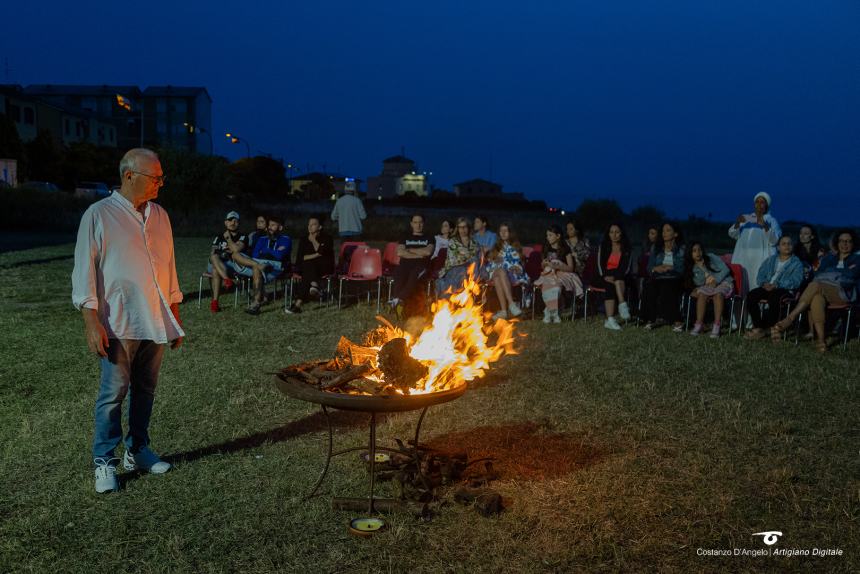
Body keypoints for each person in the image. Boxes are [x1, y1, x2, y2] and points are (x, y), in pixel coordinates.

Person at [72, 148, 183, 494]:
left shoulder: (160, 216)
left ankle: (138, 450)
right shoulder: (99, 215)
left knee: (146, 389)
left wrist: (174, 314)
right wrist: (92, 321)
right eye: (155, 178)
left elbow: (169, 267)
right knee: (113, 392)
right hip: (118, 321)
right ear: (129, 175)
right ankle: (105, 461)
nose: (160, 184)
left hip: (154, 317)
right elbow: (84, 271)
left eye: (162, 177)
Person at [772, 229, 860, 352]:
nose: (844, 244)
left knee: (816, 286)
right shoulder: (829, 258)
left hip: (844, 293)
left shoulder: (857, 259)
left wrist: (830, 274)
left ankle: (790, 318)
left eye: (848, 241)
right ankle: (821, 341)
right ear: (837, 242)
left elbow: (850, 277)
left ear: (853, 243)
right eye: (841, 241)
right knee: (816, 297)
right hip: (823, 289)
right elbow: (818, 274)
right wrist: (836, 275)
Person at [745, 236, 804, 339]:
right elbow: (760, 274)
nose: (787, 246)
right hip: (768, 287)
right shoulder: (770, 260)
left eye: (789, 244)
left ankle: (771, 328)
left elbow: (796, 281)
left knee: (775, 297)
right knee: (751, 295)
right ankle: (759, 327)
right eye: (783, 244)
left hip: (784, 289)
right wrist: (764, 283)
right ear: (778, 247)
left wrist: (777, 285)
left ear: (793, 247)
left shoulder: (797, 263)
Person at [208, 212, 265, 313]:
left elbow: (236, 249)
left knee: (215, 270)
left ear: (239, 223)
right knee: (214, 257)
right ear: (226, 222)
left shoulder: (243, 236)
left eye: (236, 221)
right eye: (230, 220)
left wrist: (228, 239)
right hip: (218, 262)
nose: (233, 223)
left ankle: (215, 302)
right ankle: (226, 280)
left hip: (233, 266)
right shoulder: (219, 236)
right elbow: (213, 251)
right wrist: (225, 252)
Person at [729, 192, 781, 294]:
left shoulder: (771, 220)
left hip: (760, 261)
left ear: (767, 205)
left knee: (756, 288)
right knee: (741, 287)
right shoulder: (746, 218)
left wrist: (765, 226)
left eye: (762, 202)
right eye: (757, 202)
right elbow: (732, 234)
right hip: (743, 260)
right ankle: (740, 309)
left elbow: (774, 240)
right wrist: (738, 222)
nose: (759, 204)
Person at [533, 224, 583, 323]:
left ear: (558, 236)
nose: (548, 238)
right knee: (547, 285)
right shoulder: (546, 247)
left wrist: (558, 266)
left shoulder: (565, 249)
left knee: (556, 287)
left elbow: (571, 268)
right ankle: (553, 313)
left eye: (550, 235)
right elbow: (543, 265)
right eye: (547, 235)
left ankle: (549, 311)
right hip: (548, 273)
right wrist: (544, 264)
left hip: (562, 273)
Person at [684, 241, 733, 338]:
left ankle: (717, 325)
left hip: (723, 282)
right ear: (690, 253)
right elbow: (699, 283)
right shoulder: (693, 268)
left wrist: (716, 280)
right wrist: (700, 267)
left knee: (718, 294)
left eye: (699, 250)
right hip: (709, 286)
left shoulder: (711, 257)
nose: (698, 253)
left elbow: (725, 269)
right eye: (694, 251)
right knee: (702, 294)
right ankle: (698, 324)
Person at [389, 214, 434, 318]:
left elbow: (427, 252)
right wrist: (419, 254)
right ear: (411, 224)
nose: (418, 225)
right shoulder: (405, 236)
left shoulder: (429, 237)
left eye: (420, 222)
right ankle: (398, 303)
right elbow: (400, 252)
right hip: (405, 265)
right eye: (415, 222)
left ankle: (397, 300)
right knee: (398, 273)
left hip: (421, 266)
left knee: (414, 275)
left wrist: (409, 250)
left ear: (423, 224)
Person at [642, 221, 685, 331]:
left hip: (675, 278)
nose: (664, 233)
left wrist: (670, 268)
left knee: (667, 287)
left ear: (675, 234)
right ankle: (652, 319)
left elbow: (682, 268)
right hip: (658, 277)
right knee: (648, 287)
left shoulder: (681, 249)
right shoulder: (655, 248)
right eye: (663, 231)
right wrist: (656, 268)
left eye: (668, 230)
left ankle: (677, 320)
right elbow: (649, 267)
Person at [287, 216, 334, 314]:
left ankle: (298, 303)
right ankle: (313, 287)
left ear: (320, 227)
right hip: (308, 267)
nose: (310, 227)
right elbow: (300, 258)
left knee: (307, 267)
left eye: (313, 224)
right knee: (308, 265)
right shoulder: (303, 239)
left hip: (324, 267)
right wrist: (317, 254)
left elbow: (323, 254)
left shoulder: (327, 238)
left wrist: (313, 241)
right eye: (309, 224)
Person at [246, 215, 292, 315]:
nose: (269, 227)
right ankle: (257, 302)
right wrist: (273, 251)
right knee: (256, 266)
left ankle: (256, 303)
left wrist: (266, 250)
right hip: (259, 263)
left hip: (277, 266)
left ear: (280, 228)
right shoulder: (262, 239)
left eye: (273, 225)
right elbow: (255, 254)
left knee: (256, 268)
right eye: (269, 225)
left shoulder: (286, 239)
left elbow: (280, 256)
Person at [591, 223, 633, 330]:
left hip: (620, 277)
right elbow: (599, 265)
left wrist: (614, 276)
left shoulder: (627, 248)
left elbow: (626, 268)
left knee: (617, 281)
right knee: (610, 284)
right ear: (608, 234)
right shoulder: (603, 246)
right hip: (602, 276)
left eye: (617, 232)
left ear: (621, 233)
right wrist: (605, 276)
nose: (614, 235)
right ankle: (621, 306)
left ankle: (610, 319)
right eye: (611, 232)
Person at [485, 223, 527, 320]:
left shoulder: (515, 247)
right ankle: (511, 304)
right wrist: (495, 261)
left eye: (506, 231)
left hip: (511, 274)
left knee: (498, 276)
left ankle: (504, 311)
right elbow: (489, 263)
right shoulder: (496, 248)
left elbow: (519, 262)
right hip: (495, 270)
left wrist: (516, 267)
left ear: (510, 233)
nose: (503, 233)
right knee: (499, 272)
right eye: (501, 231)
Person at [436, 217, 479, 297]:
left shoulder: (474, 243)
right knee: (463, 270)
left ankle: (471, 289)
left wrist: (465, 256)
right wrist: (469, 258)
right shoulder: (453, 242)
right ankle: (456, 298)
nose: (463, 229)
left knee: (474, 262)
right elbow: (453, 260)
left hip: (470, 271)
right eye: (460, 227)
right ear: (457, 229)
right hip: (453, 269)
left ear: (468, 228)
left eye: (465, 227)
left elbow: (476, 258)